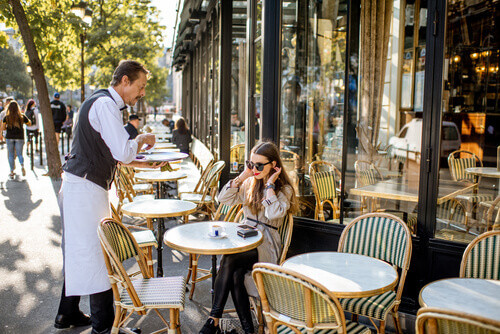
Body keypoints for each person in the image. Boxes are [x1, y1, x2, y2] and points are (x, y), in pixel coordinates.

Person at [55, 60, 166, 334]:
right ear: (125, 81)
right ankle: (104, 327)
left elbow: (114, 154)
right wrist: (141, 140)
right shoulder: (106, 105)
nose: (141, 94)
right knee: (95, 254)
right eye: (140, 87)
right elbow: (123, 152)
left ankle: (66, 313)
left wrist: (142, 163)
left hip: (81, 185)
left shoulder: (102, 103)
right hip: (84, 187)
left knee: (82, 250)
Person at [199, 141, 299, 334]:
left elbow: (273, 215)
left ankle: (213, 320)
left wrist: (270, 185)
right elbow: (223, 199)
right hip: (244, 239)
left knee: (228, 258)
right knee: (236, 275)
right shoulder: (249, 183)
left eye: (259, 165)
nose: (255, 169)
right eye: (251, 164)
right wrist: (243, 175)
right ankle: (248, 330)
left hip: (266, 244)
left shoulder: (283, 189)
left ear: (274, 165)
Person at [0, 101, 31, 178]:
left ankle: (11, 171)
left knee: (11, 155)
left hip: (9, 137)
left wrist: (7, 126)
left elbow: (3, 128)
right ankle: (22, 165)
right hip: (20, 137)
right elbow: (29, 123)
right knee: (20, 153)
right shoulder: (22, 117)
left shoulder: (6, 118)